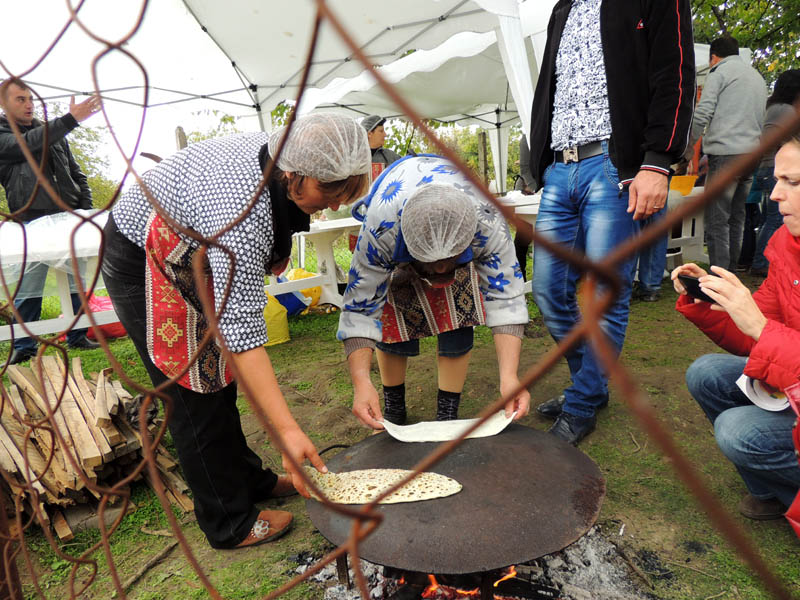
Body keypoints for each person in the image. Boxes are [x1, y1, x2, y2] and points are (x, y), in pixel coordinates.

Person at [101, 113, 370, 549]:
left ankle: (249, 479)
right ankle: (228, 521)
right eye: (328, 191)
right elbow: (240, 333)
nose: (335, 204)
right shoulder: (239, 210)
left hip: (197, 246)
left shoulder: (287, 153)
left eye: (346, 192)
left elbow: (235, 325)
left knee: (220, 380)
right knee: (191, 388)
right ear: (292, 173)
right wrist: (288, 433)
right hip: (145, 256)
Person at [527, 0, 695, 444]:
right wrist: (537, 164)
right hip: (561, 169)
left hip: (613, 166)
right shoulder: (563, 8)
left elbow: (674, 74)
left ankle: (582, 402)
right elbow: (549, 86)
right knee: (547, 289)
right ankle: (592, 383)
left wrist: (658, 162)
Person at [337, 156, 530, 429]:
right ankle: (393, 407)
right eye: (432, 261)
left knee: (459, 313)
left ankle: (447, 413)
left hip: (460, 214)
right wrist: (361, 382)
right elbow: (361, 308)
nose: (440, 268)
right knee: (392, 315)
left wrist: (510, 378)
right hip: (398, 213)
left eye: (449, 258)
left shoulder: (486, 222)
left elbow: (506, 296)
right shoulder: (381, 230)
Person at [671, 132, 800, 522]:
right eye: (777, 179)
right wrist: (708, 301)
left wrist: (761, 327)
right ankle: (773, 493)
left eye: (792, 182)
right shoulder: (784, 242)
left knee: (738, 430)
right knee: (706, 372)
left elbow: (763, 331)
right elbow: (751, 336)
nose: (775, 195)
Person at [0, 78, 102, 364]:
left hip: (68, 219)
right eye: (20, 99)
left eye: (30, 98)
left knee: (77, 282)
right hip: (31, 222)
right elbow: (26, 145)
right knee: (29, 286)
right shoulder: (4, 135)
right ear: (3, 104)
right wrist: (71, 119)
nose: (29, 104)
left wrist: (85, 210)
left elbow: (75, 172)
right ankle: (24, 346)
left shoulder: (50, 132)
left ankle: (78, 335)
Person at [685, 35, 767, 272]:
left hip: (726, 153)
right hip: (752, 154)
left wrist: (688, 147)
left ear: (713, 57)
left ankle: (720, 277)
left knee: (717, 219)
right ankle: (730, 272)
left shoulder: (719, 72)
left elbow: (703, 113)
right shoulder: (756, 77)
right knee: (737, 216)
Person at [749, 69, 800, 277]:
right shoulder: (787, 111)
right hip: (775, 168)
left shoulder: (774, 108)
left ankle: (761, 261)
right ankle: (762, 262)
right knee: (776, 219)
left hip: (767, 168)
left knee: (770, 218)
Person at [513, 136, 535, 281]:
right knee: (520, 244)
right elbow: (525, 169)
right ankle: (522, 282)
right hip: (527, 194)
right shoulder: (526, 138)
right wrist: (535, 188)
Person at [361, 114, 401, 179]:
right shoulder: (356, 157)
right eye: (381, 131)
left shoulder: (390, 156)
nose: (385, 134)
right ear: (369, 134)